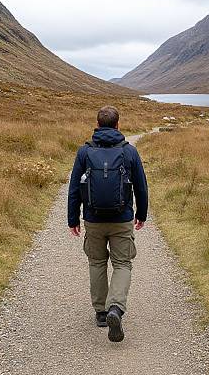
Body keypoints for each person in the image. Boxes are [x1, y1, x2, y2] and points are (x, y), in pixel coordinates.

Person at [68, 105, 148, 342]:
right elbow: (141, 187)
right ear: (117, 125)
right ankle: (116, 308)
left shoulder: (84, 152)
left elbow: (74, 189)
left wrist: (73, 219)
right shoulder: (129, 151)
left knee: (97, 262)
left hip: (93, 219)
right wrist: (141, 214)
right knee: (122, 263)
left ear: (98, 124)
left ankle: (102, 313)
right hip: (122, 219)